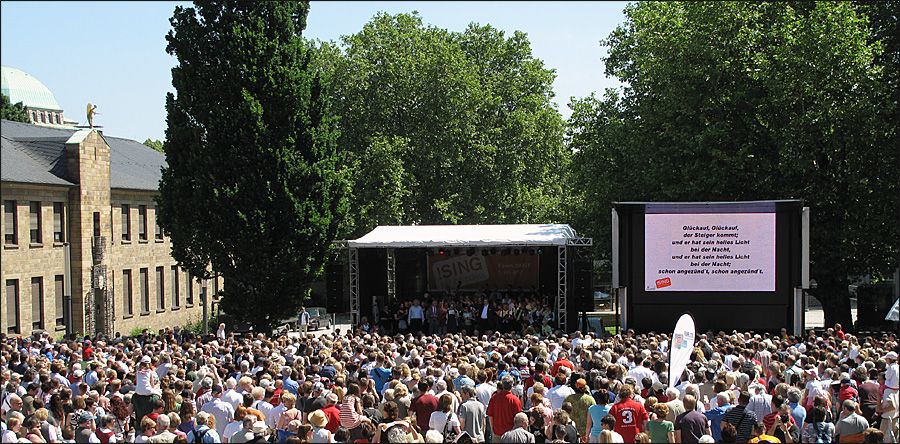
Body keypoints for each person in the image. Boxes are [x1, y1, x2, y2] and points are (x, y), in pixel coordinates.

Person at [488, 375, 523, 442]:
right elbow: (518, 418)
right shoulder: (515, 400)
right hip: (510, 434)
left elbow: (490, 415)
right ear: (512, 385)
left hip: (497, 432)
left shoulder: (494, 398)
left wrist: (493, 429)